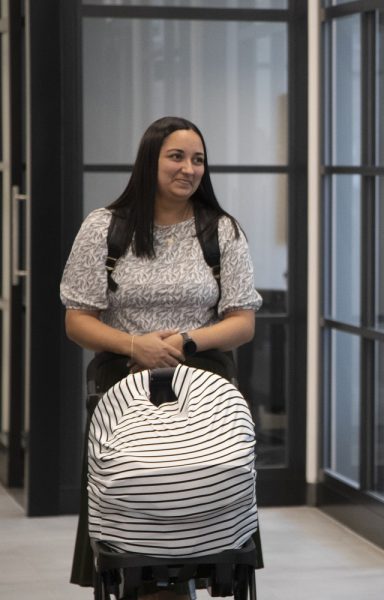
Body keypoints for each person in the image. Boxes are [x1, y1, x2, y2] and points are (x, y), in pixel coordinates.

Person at [60, 116, 263, 599]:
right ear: (150, 161)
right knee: (137, 503)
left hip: (205, 382)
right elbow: (77, 320)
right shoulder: (103, 229)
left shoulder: (222, 231)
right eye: (176, 156)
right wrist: (137, 346)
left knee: (204, 491)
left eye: (198, 159)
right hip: (122, 382)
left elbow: (242, 321)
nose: (188, 168)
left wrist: (185, 342)